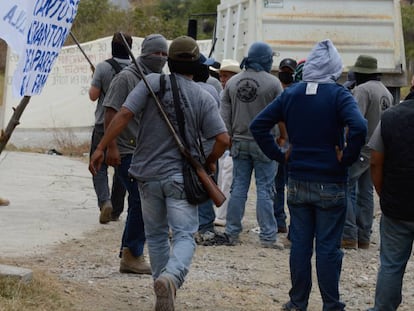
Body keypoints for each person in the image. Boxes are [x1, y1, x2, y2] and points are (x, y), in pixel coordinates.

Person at [90, 35, 230, 311]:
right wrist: (210, 161)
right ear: (196, 62)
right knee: (184, 236)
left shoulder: (151, 84)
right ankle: (171, 278)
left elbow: (122, 115)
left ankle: (162, 292)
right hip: (181, 177)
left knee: (154, 236)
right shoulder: (203, 94)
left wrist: (102, 148)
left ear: (170, 60)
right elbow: (223, 139)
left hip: (146, 175)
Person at [250, 39, 367, 311]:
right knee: (328, 247)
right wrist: (347, 157)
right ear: (334, 67)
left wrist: (281, 154)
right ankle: (331, 305)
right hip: (331, 180)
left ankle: (297, 302)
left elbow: (259, 125)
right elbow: (359, 126)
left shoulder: (291, 94)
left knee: (300, 244)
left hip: (299, 179)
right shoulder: (339, 95)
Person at [102, 33, 169, 275]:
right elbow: (110, 113)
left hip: (148, 151)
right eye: (156, 53)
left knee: (141, 202)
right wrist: (111, 147)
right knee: (141, 202)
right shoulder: (126, 78)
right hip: (127, 149)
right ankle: (132, 254)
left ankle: (130, 251)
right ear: (144, 52)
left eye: (164, 54)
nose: (160, 58)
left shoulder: (159, 79)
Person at [220, 41, 284, 249]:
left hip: (238, 142)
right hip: (265, 143)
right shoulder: (273, 84)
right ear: (265, 58)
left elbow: (224, 116)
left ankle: (232, 232)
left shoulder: (233, 82)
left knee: (238, 188)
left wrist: (229, 138)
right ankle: (267, 236)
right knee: (265, 189)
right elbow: (282, 115)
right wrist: (282, 137)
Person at [367, 97, 414, 311]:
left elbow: (375, 159)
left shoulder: (390, 117)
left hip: (397, 205)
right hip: (397, 202)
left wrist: (382, 192)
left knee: (391, 265)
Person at [342, 55, 393, 250]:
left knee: (345, 186)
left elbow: (355, 120)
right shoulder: (386, 92)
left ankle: (348, 235)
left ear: (361, 73)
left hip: (361, 147)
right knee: (366, 192)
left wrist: (347, 144)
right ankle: (364, 236)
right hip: (378, 149)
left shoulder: (362, 90)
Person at [88, 32, 128, 224]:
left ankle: (104, 201)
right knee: (122, 167)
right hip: (127, 127)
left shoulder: (103, 67)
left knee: (99, 165)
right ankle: (117, 209)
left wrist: (95, 78)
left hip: (103, 124)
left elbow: (93, 96)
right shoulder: (138, 69)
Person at [213, 59, 242, 227]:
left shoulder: (230, 94)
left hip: (231, 141)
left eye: (226, 76)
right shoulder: (222, 93)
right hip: (224, 142)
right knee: (224, 178)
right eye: (221, 76)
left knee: (228, 178)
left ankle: (223, 216)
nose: (222, 80)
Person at [274, 58, 297, 234]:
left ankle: (291, 225)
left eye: (289, 71)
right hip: (281, 145)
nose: (286, 74)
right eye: (284, 70)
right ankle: (279, 222)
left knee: (290, 187)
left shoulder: (295, 92)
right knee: (278, 186)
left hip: (292, 146)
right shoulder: (275, 89)